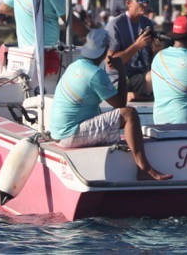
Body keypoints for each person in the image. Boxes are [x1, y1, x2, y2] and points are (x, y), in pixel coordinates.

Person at [47, 28, 171, 181]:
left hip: (60, 133)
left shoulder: (75, 65)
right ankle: (143, 168)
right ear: (105, 49)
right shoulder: (95, 73)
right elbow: (120, 104)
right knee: (129, 114)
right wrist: (121, 71)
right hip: (71, 134)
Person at [107, 0, 158, 101]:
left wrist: (157, 50)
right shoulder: (115, 25)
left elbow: (152, 58)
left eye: (147, 1)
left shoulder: (148, 23)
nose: (146, 4)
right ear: (129, 3)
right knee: (155, 77)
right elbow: (110, 63)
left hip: (142, 76)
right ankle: (132, 95)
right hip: (121, 80)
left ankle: (137, 96)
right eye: (141, 0)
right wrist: (136, 46)